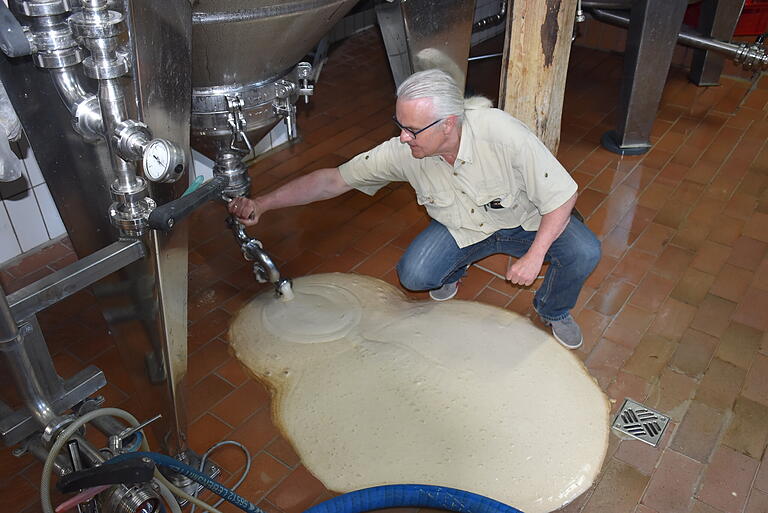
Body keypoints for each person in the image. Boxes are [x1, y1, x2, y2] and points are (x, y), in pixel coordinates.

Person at [228, 69, 601, 349]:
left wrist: (535, 256)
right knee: (415, 275)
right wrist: (263, 203)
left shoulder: (502, 133)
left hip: (524, 223)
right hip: (464, 230)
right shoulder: (404, 152)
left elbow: (563, 195)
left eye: (413, 129)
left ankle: (552, 309)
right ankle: (455, 268)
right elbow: (333, 181)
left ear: (449, 124)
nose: (403, 137)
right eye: (400, 125)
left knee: (585, 250)